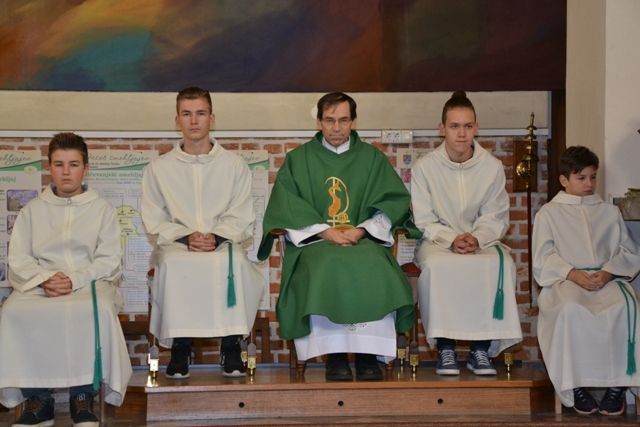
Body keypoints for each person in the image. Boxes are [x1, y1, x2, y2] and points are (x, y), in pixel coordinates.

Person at [258, 92, 415, 381]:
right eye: (330, 120)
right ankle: (335, 357)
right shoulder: (299, 160)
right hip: (317, 243)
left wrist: (361, 230)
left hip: (363, 240)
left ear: (353, 121)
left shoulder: (372, 158)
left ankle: (368, 356)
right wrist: (326, 231)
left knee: (374, 263)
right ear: (319, 122)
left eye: (344, 120)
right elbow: (287, 206)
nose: (337, 128)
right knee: (323, 264)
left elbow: (393, 202)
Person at [0, 133, 132, 427]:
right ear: (49, 167)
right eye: (59, 164)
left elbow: (109, 260)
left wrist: (73, 279)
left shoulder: (102, 210)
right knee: (13, 311)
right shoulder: (32, 210)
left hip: (89, 282)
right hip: (40, 285)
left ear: (86, 168)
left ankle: (82, 398)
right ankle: (38, 402)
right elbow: (19, 259)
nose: (66, 172)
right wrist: (45, 279)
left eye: (73, 164)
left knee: (94, 311)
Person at [141, 86, 263, 379]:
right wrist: (186, 236)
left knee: (232, 262)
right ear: (177, 121)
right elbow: (154, 217)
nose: (194, 121)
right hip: (177, 243)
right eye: (186, 114)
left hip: (222, 243)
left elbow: (242, 214)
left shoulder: (234, 165)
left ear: (212, 118)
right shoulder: (159, 168)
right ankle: (180, 346)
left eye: (200, 113)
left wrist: (216, 236)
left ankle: (231, 344)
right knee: (173, 262)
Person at [411, 91, 522, 376]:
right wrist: (451, 239)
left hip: (480, 240)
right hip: (438, 241)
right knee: (437, 266)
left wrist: (477, 237)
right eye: (454, 126)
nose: (461, 133)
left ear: (476, 128)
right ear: (442, 129)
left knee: (498, 265)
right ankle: (445, 347)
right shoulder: (425, 167)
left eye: (467, 126)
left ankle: (480, 349)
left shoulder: (491, 166)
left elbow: (496, 214)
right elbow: (423, 217)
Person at [533, 146, 640, 415]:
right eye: (581, 178)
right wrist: (572, 273)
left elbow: (628, 251)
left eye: (593, 177)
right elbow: (543, 257)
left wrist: (609, 272)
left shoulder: (609, 212)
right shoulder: (549, 213)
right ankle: (575, 386)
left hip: (607, 279)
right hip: (567, 280)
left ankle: (618, 386)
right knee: (570, 310)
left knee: (624, 308)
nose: (589, 184)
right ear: (564, 180)